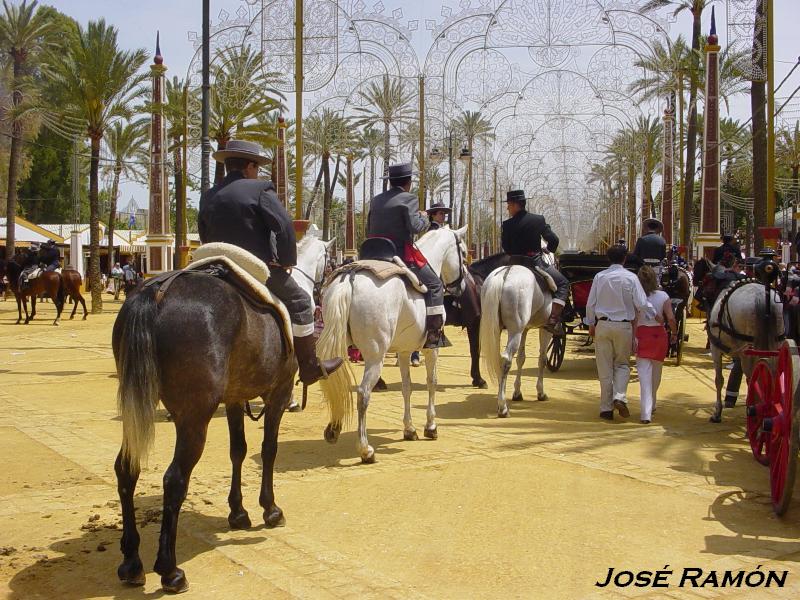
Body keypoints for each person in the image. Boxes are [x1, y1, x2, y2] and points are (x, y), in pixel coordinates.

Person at [198, 139, 343, 385]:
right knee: (299, 302)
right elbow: (284, 226)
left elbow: (203, 232)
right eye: (257, 168)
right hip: (252, 267)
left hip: (214, 265)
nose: (257, 172)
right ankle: (308, 366)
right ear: (250, 167)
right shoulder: (260, 190)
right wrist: (286, 260)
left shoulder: (209, 195)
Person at [366, 162, 445, 348]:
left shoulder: (376, 200)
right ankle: (433, 335)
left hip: (372, 252)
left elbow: (369, 228)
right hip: (398, 254)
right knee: (435, 285)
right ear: (408, 182)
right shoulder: (408, 198)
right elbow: (416, 227)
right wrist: (424, 217)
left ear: (391, 181)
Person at [586, 244, 649, 421]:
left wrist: (591, 323)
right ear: (625, 259)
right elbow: (642, 303)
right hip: (624, 326)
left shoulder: (599, 277)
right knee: (622, 364)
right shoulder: (631, 278)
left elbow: (590, 303)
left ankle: (606, 409)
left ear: (608, 258)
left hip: (603, 325)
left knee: (604, 367)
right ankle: (619, 396)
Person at [501, 189, 569, 333]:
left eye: (508, 204)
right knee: (563, 283)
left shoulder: (507, 224)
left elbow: (506, 247)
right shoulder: (538, 220)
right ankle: (553, 319)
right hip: (535, 263)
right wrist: (549, 249)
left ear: (515, 205)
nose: (507, 208)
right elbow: (553, 239)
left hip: (513, 262)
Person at [634, 266, 677, 424]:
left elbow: (634, 320)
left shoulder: (636, 297)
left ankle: (646, 411)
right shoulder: (663, 296)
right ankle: (651, 403)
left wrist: (633, 338)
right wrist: (674, 333)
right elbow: (671, 319)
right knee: (656, 374)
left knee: (644, 376)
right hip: (659, 335)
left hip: (642, 335)